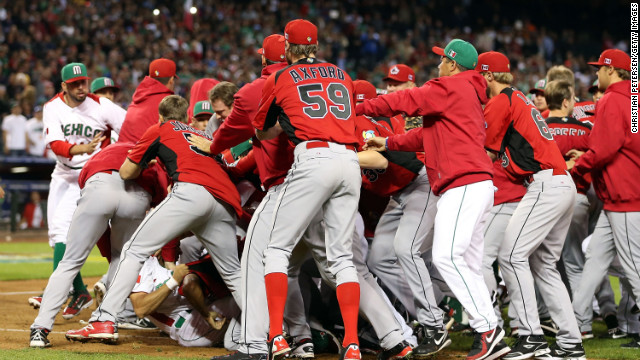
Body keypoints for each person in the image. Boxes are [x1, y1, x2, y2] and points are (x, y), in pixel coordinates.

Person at [359, 39, 509, 360]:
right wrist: (387, 141)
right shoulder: (465, 91)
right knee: (466, 262)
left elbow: (404, 99)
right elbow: (424, 135)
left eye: (443, 60)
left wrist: (359, 106)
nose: (438, 64)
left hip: (464, 184)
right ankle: (492, 329)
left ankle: (487, 329)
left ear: (453, 64)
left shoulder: (451, 85)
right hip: (475, 184)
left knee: (446, 258)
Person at [64, 95, 243, 344]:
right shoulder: (203, 136)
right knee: (233, 274)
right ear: (187, 117)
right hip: (225, 202)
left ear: (160, 116)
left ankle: (104, 320)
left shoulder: (161, 128)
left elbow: (127, 171)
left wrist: (146, 159)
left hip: (191, 191)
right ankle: (269, 332)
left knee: (133, 251)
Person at [252, 19, 363, 360]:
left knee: (276, 249)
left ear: (287, 47)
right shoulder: (342, 74)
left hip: (313, 158)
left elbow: (262, 130)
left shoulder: (280, 76)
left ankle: (277, 337)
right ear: (316, 45)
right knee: (342, 258)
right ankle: (353, 343)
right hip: (350, 162)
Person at [475, 51, 584, 360]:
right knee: (544, 266)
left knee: (510, 255)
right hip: (561, 183)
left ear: (489, 77)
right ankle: (571, 342)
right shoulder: (519, 98)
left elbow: (484, 150)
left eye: (480, 77)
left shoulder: (502, 100)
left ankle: (531, 335)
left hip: (545, 183)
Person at [28, 140, 167, 348]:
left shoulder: (107, 151)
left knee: (71, 262)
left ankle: (40, 330)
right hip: (139, 196)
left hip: (99, 184)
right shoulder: (153, 159)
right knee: (123, 260)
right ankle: (106, 321)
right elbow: (161, 198)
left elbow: (87, 186)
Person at [29, 62, 126, 319]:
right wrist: (79, 149)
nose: (81, 87)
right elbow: (56, 145)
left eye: (83, 81)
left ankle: (56, 292)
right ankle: (79, 290)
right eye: (75, 84)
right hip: (64, 173)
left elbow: (130, 129)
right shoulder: (52, 107)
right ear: (64, 86)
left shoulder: (102, 106)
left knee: (73, 232)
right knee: (56, 235)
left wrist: (112, 152)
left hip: (94, 175)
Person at [567, 49, 639, 349]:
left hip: (626, 197)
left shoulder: (612, 99)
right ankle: (572, 325)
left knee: (635, 270)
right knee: (594, 259)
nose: (596, 74)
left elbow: (605, 149)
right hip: (620, 196)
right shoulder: (632, 99)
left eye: (599, 69)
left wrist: (577, 165)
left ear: (612, 71)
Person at [544, 79, 619, 339]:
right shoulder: (585, 127)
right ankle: (592, 319)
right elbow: (600, 155)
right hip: (582, 196)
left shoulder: (539, 127)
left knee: (552, 262)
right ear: (567, 101)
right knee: (580, 260)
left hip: (549, 199)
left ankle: (571, 322)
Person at [130, 256, 240, 348]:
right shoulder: (141, 264)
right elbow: (140, 309)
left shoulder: (172, 254)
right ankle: (243, 344)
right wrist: (173, 281)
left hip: (205, 309)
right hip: (188, 327)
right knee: (241, 302)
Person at [118, 58, 176, 143]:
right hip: (141, 154)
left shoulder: (139, 94)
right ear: (171, 80)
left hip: (119, 150)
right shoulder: (169, 101)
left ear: (150, 77)